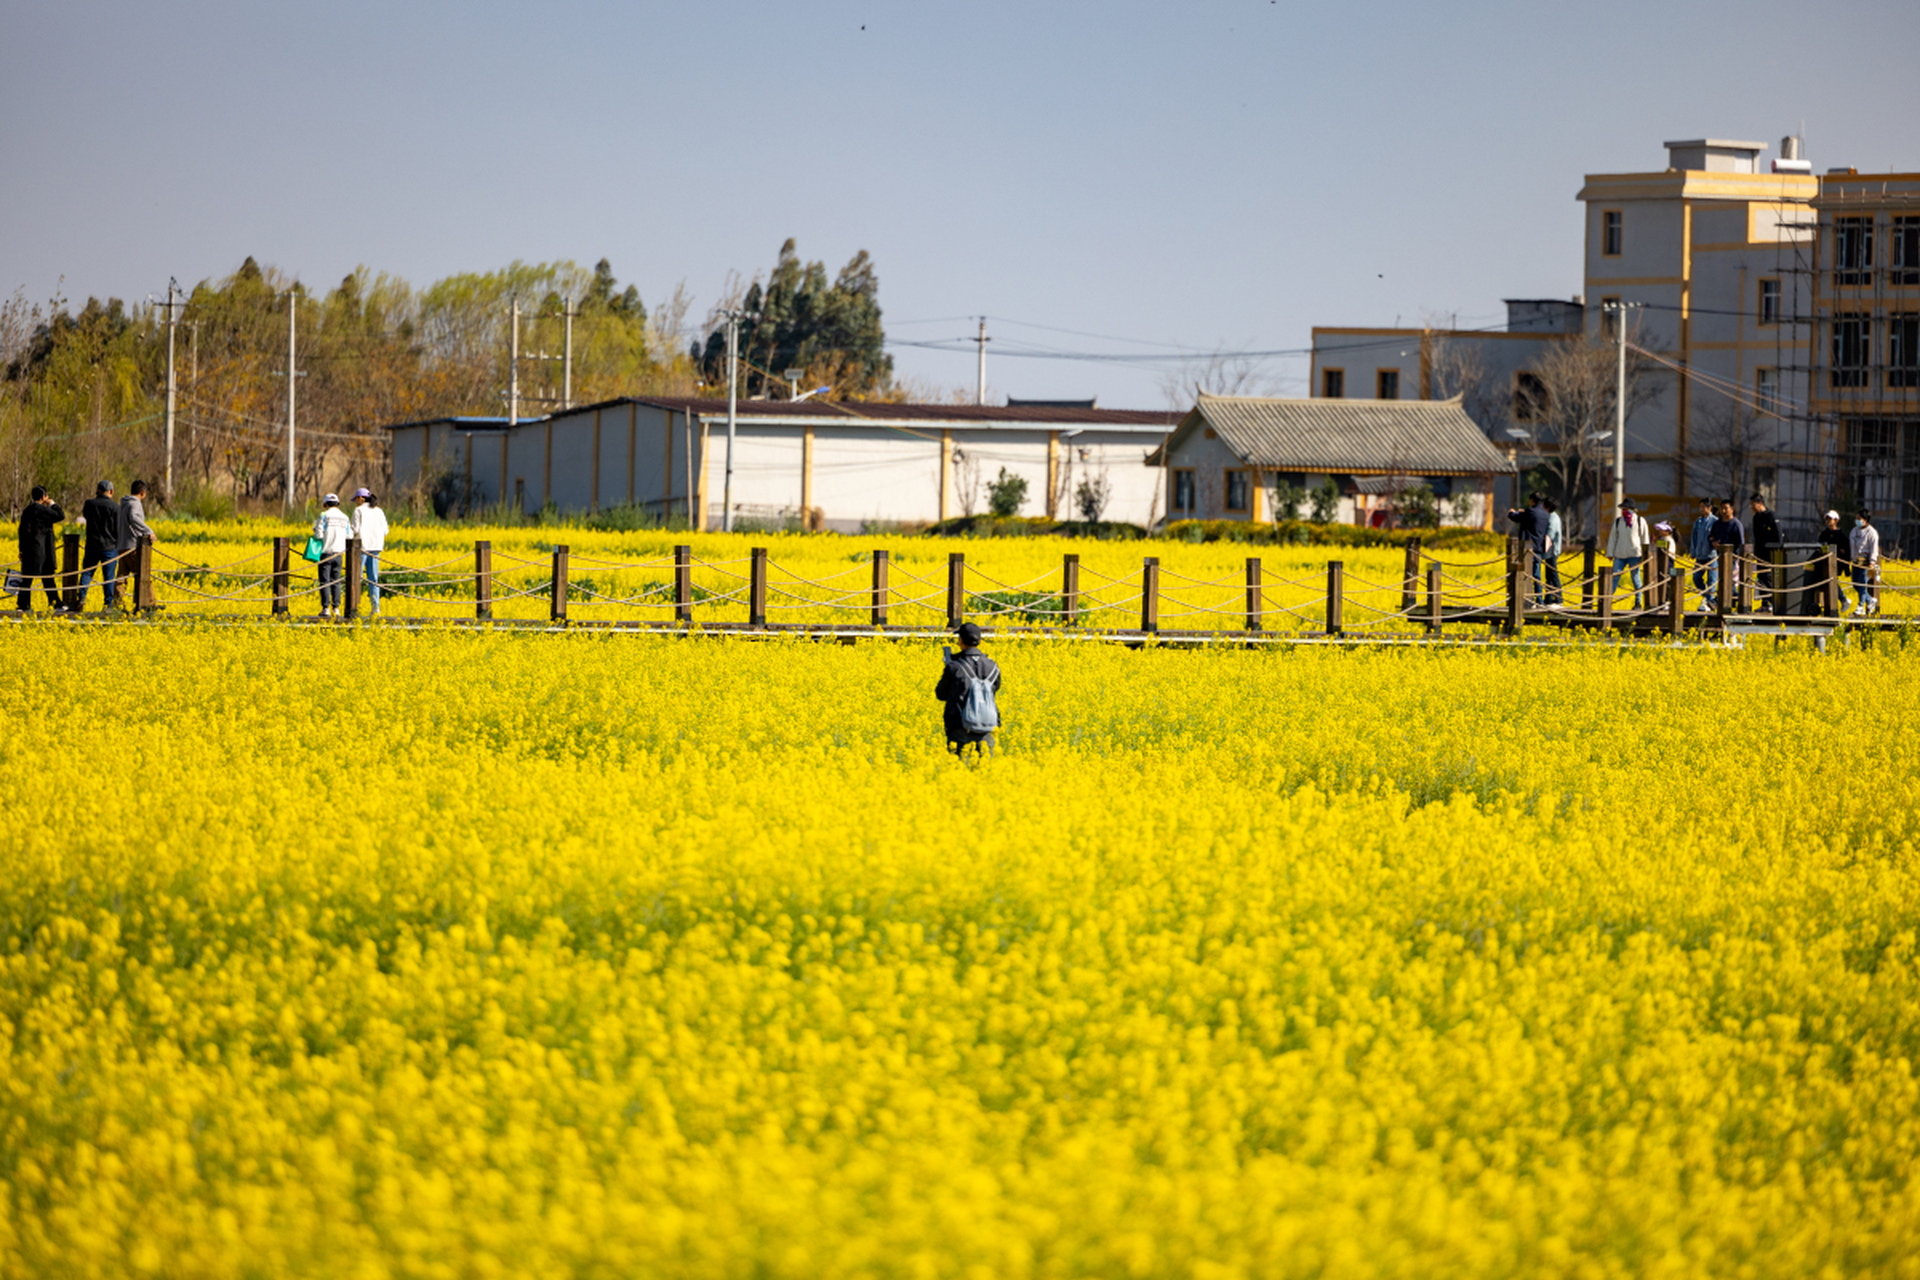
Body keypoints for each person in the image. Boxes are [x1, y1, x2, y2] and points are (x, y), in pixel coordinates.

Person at [935, 621, 1002, 758]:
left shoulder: (954, 667)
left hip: (960, 727)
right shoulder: (993, 667)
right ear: (980, 641)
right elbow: (995, 689)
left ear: (960, 641)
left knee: (960, 772)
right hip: (988, 728)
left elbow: (940, 694)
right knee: (985, 772)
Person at [15, 486, 65, 612]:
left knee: (26, 579)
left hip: (28, 550)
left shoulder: (27, 510)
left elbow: (21, 531)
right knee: (48, 578)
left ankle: (23, 605)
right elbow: (60, 516)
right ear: (43, 497)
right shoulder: (42, 509)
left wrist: (21, 550)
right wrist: (52, 504)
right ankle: (56, 604)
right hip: (43, 550)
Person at [77, 480, 120, 611]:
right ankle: (108, 604)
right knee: (109, 577)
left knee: (87, 573)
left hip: (92, 545)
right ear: (111, 491)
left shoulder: (89, 504)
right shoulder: (115, 507)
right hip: (109, 547)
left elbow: (86, 516)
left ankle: (81, 598)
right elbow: (117, 529)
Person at [312, 493, 352, 618]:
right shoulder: (345, 517)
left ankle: (325, 608)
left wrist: (315, 531)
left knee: (325, 581)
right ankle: (336, 608)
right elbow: (349, 536)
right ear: (338, 504)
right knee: (336, 581)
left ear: (326, 504)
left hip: (326, 552)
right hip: (339, 553)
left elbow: (319, 535)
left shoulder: (324, 516)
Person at [1605, 497, 1649, 609]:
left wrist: (1645, 555)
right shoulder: (1618, 521)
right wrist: (1610, 553)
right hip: (1619, 555)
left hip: (1635, 555)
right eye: (1623, 508)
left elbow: (1645, 539)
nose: (1624, 510)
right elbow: (1613, 538)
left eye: (1626, 508)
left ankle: (1638, 602)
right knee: (1614, 578)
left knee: (1635, 579)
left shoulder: (1640, 521)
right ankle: (1607, 602)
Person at [350, 488, 389, 614]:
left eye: (356, 499)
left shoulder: (358, 510)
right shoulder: (379, 511)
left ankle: (355, 606)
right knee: (373, 579)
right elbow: (386, 531)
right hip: (376, 548)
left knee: (357, 578)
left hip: (361, 548)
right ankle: (375, 608)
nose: (355, 502)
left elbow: (355, 530)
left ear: (361, 498)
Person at [1707, 499, 1748, 611]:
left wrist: (1737, 557)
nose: (1723, 511)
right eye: (1722, 508)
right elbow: (1711, 537)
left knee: (1727, 579)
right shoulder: (1717, 524)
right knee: (1725, 580)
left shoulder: (1736, 524)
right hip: (1719, 556)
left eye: (1726, 508)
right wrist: (1713, 542)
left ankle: (1716, 601)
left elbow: (1741, 543)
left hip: (1732, 557)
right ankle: (1737, 599)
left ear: (1732, 510)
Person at [1749, 493, 1782, 613]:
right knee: (1761, 578)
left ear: (1760, 503)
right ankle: (1764, 603)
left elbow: (1778, 535)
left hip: (1770, 553)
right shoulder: (1756, 518)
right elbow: (1756, 537)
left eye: (1753, 505)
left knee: (1768, 578)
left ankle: (1773, 602)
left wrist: (1777, 549)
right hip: (1760, 553)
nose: (1752, 507)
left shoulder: (1770, 516)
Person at [1816, 509, 1850, 614]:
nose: (1828, 521)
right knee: (1825, 582)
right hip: (1823, 563)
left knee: (1832, 581)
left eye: (1830, 519)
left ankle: (1843, 599)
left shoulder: (1842, 536)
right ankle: (1824, 606)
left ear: (1836, 520)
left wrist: (1846, 568)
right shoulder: (1824, 534)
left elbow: (1847, 552)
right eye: (1827, 519)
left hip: (1836, 564)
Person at [1850, 509, 1881, 616]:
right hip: (1855, 561)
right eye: (1856, 518)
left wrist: (1872, 562)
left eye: (1859, 518)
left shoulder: (1872, 532)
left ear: (1866, 520)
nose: (1857, 520)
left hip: (1866, 561)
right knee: (1855, 584)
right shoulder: (1854, 530)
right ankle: (1870, 600)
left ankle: (1860, 606)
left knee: (1861, 584)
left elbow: (1874, 549)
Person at [1689, 496, 1718, 603]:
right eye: (1700, 507)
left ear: (1710, 507)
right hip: (1700, 555)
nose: (1701, 509)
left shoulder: (1715, 521)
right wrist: (1693, 551)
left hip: (1711, 555)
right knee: (1696, 577)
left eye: (1703, 507)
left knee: (1712, 580)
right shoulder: (1698, 521)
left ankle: (1710, 601)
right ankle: (1707, 597)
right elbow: (1694, 537)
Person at [1542, 498, 1565, 605]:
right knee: (1549, 576)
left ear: (1548, 507)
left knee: (1553, 575)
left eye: (1544, 506)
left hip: (1552, 551)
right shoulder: (1552, 516)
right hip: (1551, 550)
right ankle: (1549, 599)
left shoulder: (1552, 518)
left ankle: (1559, 599)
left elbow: (1550, 535)